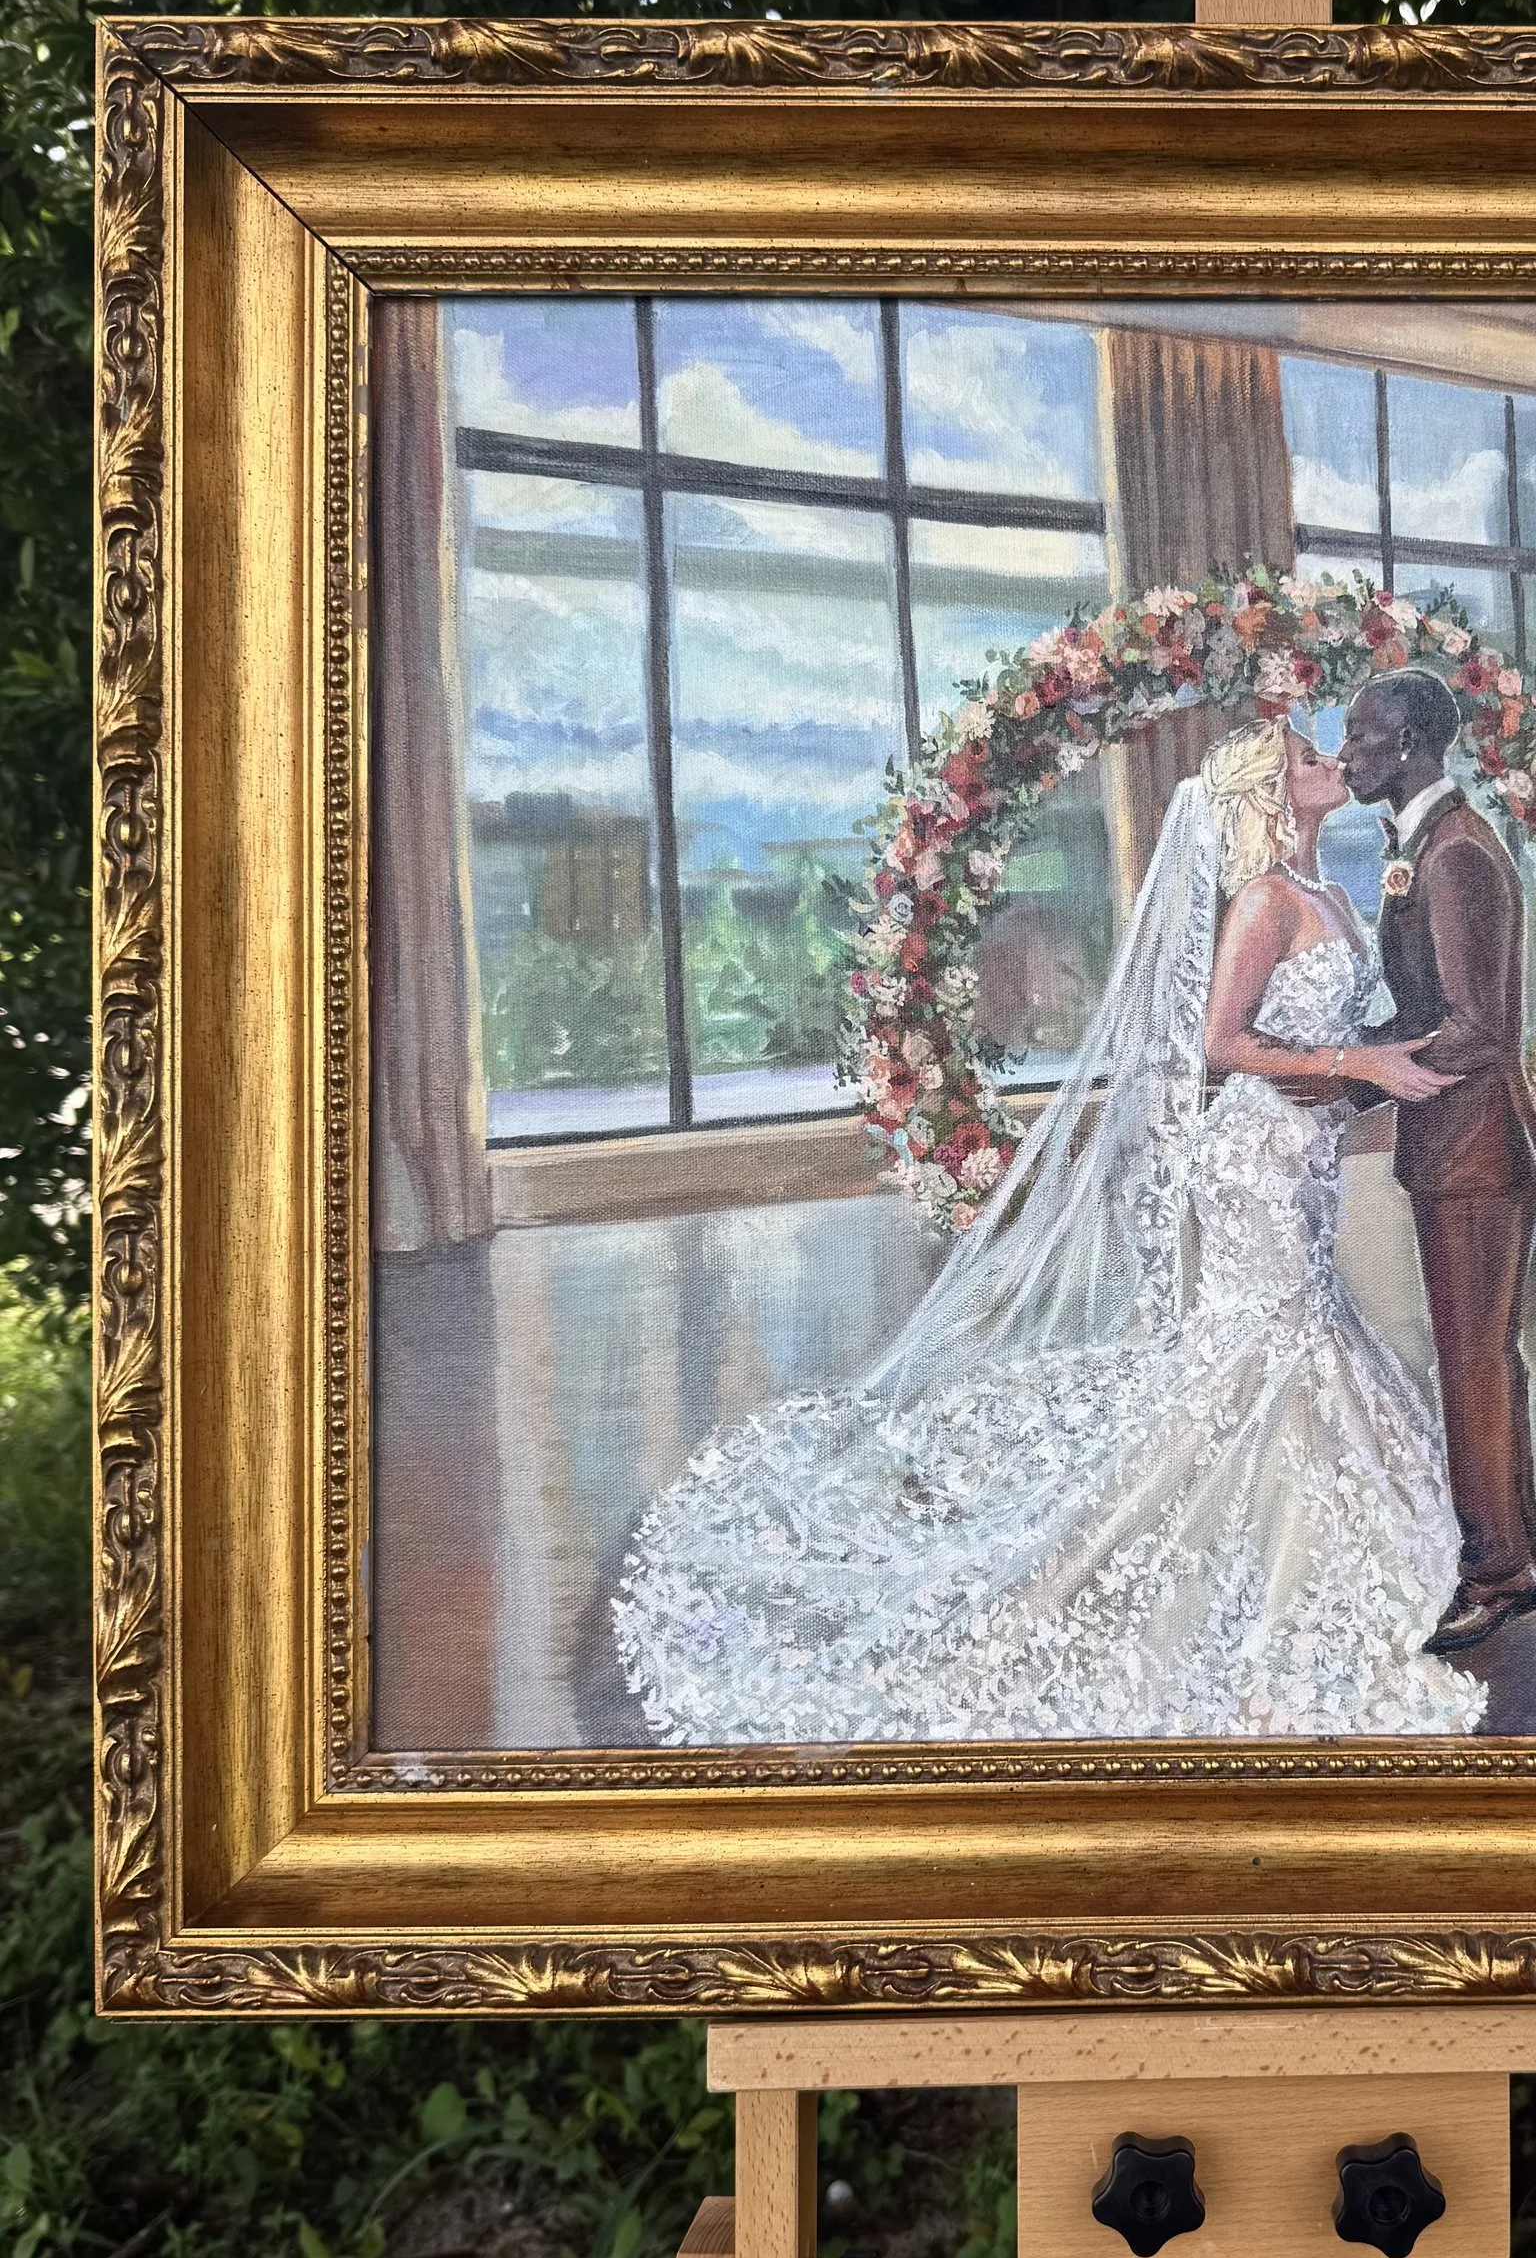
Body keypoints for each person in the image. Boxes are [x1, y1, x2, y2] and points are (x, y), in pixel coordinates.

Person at [610, 716, 1488, 1745]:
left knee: (1300, 1329)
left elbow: (1339, 1032)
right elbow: (1220, 1041)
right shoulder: (1261, 903)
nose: (1329, 763)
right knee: (1272, 1340)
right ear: (1264, 793)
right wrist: (1357, 1072)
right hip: (1249, 1161)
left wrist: (1375, 1072)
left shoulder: (1333, 895)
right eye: (1303, 759)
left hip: (1304, 1160)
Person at [1336, 669, 1536, 1656]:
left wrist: (1358, 1080)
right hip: (1458, 1149)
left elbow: (1475, 1029)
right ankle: (1522, 1547)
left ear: (1415, 746)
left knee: (1471, 1365)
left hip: (1474, 1152)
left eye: (1363, 739)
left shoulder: (1456, 855)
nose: (1348, 756)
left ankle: (1495, 1571)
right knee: (1484, 1361)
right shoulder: (1427, 843)